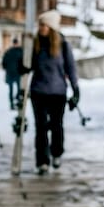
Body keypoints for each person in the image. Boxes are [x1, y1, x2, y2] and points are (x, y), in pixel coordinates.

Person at [25, 10, 79, 175]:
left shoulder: (63, 45)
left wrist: (76, 89)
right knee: (40, 127)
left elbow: (70, 68)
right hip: (38, 91)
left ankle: (56, 152)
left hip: (57, 92)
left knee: (56, 126)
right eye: (40, 25)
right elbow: (28, 65)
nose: (41, 28)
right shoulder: (34, 45)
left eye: (44, 25)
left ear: (51, 27)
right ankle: (42, 160)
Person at [2, 37, 24, 109]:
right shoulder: (21, 51)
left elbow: (4, 63)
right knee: (18, 89)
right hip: (17, 73)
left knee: (11, 90)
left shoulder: (8, 51)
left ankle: (12, 104)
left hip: (11, 73)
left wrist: (7, 68)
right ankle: (17, 101)